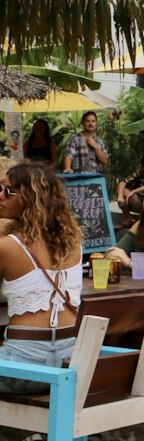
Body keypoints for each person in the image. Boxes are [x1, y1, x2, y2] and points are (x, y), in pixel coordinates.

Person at [0, 160, 83, 395]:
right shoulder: (74, 243)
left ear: (30, 199)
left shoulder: (7, 247)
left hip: (22, 369)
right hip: (68, 365)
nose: (1, 195)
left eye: (9, 191)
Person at [116, 146, 144, 218]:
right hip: (139, 202)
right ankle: (127, 219)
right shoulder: (140, 173)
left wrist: (133, 191)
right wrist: (120, 197)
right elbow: (123, 182)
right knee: (122, 191)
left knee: (130, 194)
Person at [62, 109, 108, 175]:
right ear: (83, 123)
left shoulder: (99, 141)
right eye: (87, 121)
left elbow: (104, 161)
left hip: (94, 178)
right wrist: (67, 168)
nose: (90, 123)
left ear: (96, 123)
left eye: (93, 121)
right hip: (77, 177)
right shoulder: (74, 138)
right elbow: (68, 154)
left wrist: (95, 146)